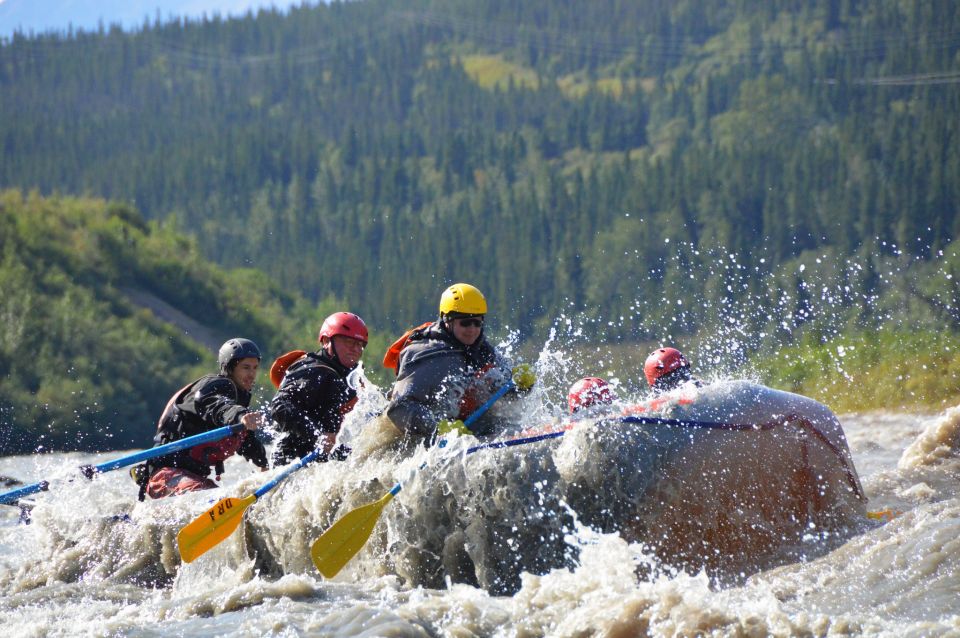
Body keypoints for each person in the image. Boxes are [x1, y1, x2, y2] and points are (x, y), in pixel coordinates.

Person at [383, 283, 536, 442]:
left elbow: (501, 393)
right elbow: (399, 407)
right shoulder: (425, 354)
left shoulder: (483, 350)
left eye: (477, 323)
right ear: (447, 321)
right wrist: (436, 428)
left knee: (503, 424)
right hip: (427, 440)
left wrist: (519, 386)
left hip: (471, 430)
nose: (472, 329)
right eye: (465, 323)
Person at [135, 338, 269, 501]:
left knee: (218, 496)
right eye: (246, 367)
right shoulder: (216, 386)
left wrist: (264, 466)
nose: (252, 374)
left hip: (193, 477)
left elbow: (248, 442)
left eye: (255, 368)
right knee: (207, 498)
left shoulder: (237, 402)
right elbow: (216, 405)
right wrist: (239, 415)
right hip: (166, 473)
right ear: (230, 368)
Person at [269, 312, 368, 466]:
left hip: (323, 462)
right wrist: (317, 436)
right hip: (294, 459)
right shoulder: (315, 372)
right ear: (327, 341)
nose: (356, 349)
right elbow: (279, 406)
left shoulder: (350, 378)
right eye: (349, 341)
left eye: (360, 344)